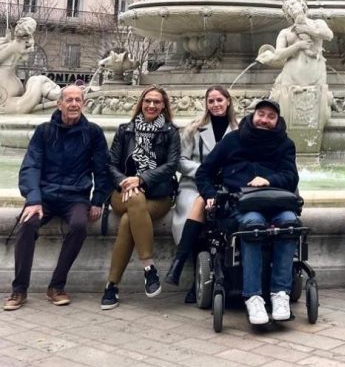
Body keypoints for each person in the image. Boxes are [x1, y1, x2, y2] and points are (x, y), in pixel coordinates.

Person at [195, 96, 299, 327]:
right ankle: (253, 296)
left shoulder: (285, 144)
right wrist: (210, 195)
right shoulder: (232, 140)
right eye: (261, 114)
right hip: (242, 203)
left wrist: (269, 179)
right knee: (253, 224)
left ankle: (280, 293)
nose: (265, 120)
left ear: (277, 120)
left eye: (271, 117)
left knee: (290, 223)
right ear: (253, 115)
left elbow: (292, 177)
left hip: (276, 202)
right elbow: (204, 171)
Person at [4, 85, 109, 311]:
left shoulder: (93, 132)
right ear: (59, 104)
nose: (73, 104)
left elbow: (102, 169)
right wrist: (33, 200)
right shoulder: (44, 131)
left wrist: (98, 199)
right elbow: (31, 166)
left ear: (84, 104)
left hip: (75, 197)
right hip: (44, 196)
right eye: (68, 100)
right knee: (26, 224)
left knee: (80, 226)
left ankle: (56, 286)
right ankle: (19, 289)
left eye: (78, 100)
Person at [100, 85, 180, 310]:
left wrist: (141, 179)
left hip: (158, 197)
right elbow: (111, 164)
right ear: (141, 104)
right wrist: (126, 181)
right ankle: (149, 267)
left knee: (128, 220)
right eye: (148, 101)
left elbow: (171, 165)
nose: (152, 105)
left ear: (164, 106)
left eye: (157, 102)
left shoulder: (170, 132)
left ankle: (112, 286)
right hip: (123, 193)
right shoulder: (125, 130)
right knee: (135, 199)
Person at [166, 85, 238, 298]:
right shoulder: (192, 129)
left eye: (219, 100)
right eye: (211, 101)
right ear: (206, 105)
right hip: (194, 184)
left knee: (222, 215)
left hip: (227, 185)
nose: (216, 105)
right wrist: (204, 170)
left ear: (228, 101)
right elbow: (179, 161)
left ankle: (204, 277)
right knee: (195, 210)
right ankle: (197, 277)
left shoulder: (240, 130)